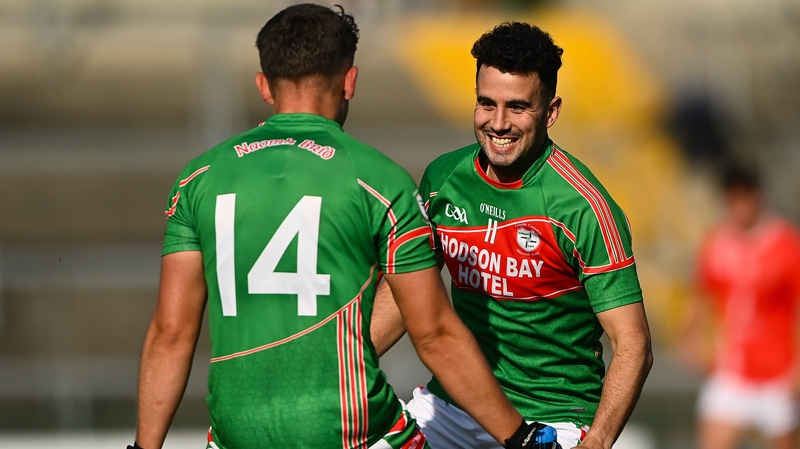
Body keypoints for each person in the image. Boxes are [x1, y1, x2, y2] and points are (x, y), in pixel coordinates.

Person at [129, 4, 542, 449]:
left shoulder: (199, 178)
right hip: (351, 431)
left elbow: (170, 335)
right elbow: (436, 335)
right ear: (350, 81)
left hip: (237, 435)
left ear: (264, 86)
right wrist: (521, 437)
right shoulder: (380, 182)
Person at [371, 21, 653, 449]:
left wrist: (597, 441)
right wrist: (345, 368)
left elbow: (632, 342)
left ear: (551, 112)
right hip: (452, 408)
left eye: (517, 107)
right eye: (487, 103)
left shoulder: (584, 208)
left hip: (553, 420)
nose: (498, 123)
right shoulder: (442, 178)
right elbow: (404, 292)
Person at [682, 165, 800, 449]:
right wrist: (691, 338)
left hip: (776, 374)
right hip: (730, 370)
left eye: (744, 198)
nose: (739, 207)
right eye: (733, 199)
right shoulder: (716, 243)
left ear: (758, 197)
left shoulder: (786, 245)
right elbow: (700, 295)